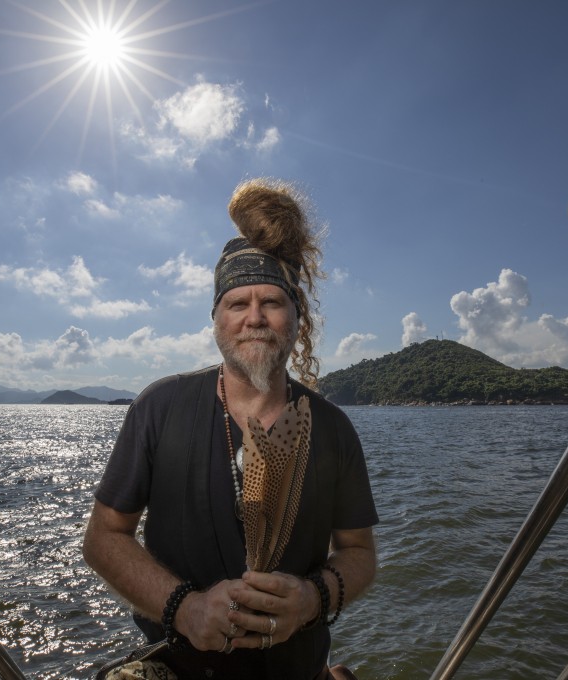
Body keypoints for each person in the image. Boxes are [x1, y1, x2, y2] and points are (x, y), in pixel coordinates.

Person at [83, 178, 378, 680]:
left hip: (295, 668)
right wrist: (185, 608)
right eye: (238, 304)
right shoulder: (159, 408)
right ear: (216, 319)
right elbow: (104, 537)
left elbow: (359, 553)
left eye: (272, 302)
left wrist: (311, 598)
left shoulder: (332, 429)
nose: (254, 318)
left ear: (296, 318)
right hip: (179, 664)